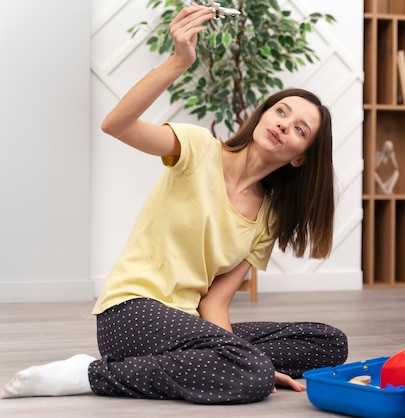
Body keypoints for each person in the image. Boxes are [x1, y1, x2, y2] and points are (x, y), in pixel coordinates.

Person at [1, 4, 347, 404]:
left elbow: (215, 301)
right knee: (253, 374)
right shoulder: (198, 147)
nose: (284, 123)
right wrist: (180, 60)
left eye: (299, 128)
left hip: (189, 321)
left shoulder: (268, 216)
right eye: (281, 110)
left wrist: (234, 349)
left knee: (328, 342)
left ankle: (226, 361)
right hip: (130, 312)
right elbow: (116, 125)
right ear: (264, 114)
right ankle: (91, 374)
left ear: (300, 156)